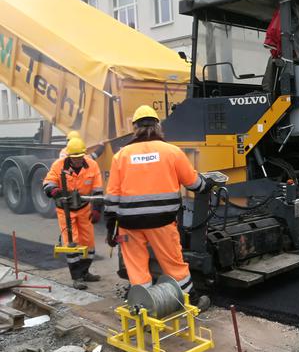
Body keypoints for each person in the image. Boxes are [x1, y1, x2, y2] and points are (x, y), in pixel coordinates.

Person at [104, 105, 213, 310]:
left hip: (129, 225)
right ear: (158, 126)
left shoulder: (122, 156)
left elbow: (111, 198)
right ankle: (192, 302)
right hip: (162, 223)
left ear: (134, 127)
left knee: (136, 266)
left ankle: (142, 307)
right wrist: (208, 184)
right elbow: (194, 183)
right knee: (174, 264)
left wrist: (111, 228)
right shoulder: (172, 152)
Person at [43, 137, 103, 289]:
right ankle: (77, 277)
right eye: (74, 158)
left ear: (84, 155)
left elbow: (97, 190)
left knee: (89, 243)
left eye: (79, 158)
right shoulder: (59, 165)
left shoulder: (92, 165)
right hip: (65, 210)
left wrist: (96, 209)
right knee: (72, 242)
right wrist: (54, 190)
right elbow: (48, 182)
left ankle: (85, 272)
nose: (77, 161)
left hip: (84, 208)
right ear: (69, 156)